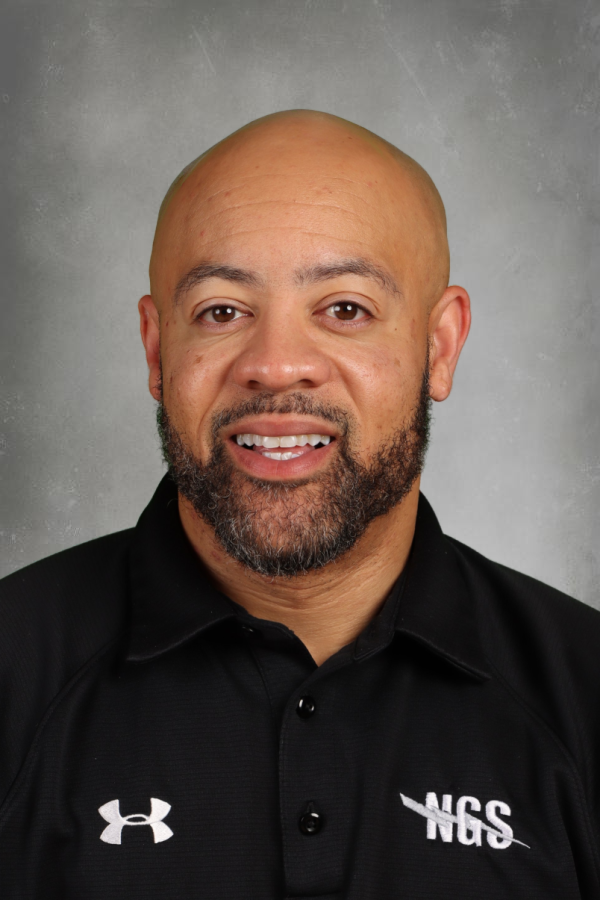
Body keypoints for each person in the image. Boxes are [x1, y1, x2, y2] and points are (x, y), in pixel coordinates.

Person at [0, 110, 598, 899]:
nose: (277, 365)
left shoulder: (582, 694)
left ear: (439, 345)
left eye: (345, 309)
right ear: (156, 350)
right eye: (222, 310)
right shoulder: (13, 675)